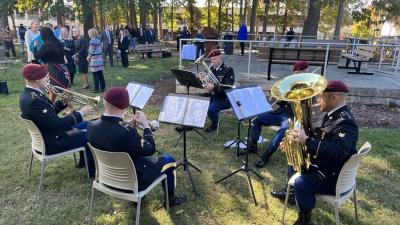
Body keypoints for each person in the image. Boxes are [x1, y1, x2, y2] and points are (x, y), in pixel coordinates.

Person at [272, 80, 358, 225]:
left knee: (300, 183)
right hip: (328, 166)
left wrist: (306, 141)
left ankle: (304, 220)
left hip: (334, 176)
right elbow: (321, 138)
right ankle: (293, 195)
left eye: (321, 96)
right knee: (295, 165)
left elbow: (338, 151)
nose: (317, 100)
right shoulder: (332, 114)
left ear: (334, 98)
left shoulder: (345, 122)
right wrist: (292, 144)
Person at [87, 87, 187, 207]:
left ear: (105, 102)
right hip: (131, 183)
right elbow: (150, 149)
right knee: (169, 159)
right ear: (124, 106)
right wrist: (145, 126)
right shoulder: (127, 133)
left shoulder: (91, 125)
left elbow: (112, 138)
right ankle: (170, 199)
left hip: (106, 180)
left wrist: (128, 126)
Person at [19, 63, 95, 176]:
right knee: (90, 134)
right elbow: (58, 125)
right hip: (53, 142)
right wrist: (80, 113)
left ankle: (84, 163)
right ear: (37, 79)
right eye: (45, 76)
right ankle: (92, 171)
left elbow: (48, 115)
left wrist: (63, 102)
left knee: (87, 125)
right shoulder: (34, 100)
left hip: (49, 135)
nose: (48, 78)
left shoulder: (29, 94)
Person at [253, 60, 309, 168]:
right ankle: (253, 145)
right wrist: (279, 98)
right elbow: (282, 102)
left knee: (282, 131)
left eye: (301, 73)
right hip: (281, 113)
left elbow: (306, 106)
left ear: (306, 72)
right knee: (258, 119)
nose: (297, 76)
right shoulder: (290, 83)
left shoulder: (310, 86)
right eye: (296, 74)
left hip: (294, 117)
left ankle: (266, 156)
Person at [33, 27, 71, 107]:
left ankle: (71, 108)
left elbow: (37, 56)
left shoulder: (46, 45)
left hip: (53, 69)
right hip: (62, 67)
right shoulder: (59, 42)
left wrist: (34, 47)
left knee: (60, 88)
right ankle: (51, 106)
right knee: (52, 88)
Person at [203, 48, 234, 132]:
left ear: (220, 58)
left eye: (215, 59)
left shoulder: (228, 70)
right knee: (197, 100)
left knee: (211, 109)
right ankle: (194, 123)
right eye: (211, 60)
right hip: (213, 95)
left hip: (224, 98)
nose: (212, 61)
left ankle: (215, 124)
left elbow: (229, 87)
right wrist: (203, 81)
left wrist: (213, 87)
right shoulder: (211, 69)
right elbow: (208, 82)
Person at [87, 28, 106, 93]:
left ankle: (96, 88)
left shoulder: (92, 41)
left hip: (94, 60)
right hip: (99, 59)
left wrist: (88, 57)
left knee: (95, 74)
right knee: (100, 73)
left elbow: (91, 50)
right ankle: (103, 87)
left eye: (89, 33)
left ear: (92, 34)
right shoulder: (98, 40)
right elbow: (100, 49)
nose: (88, 34)